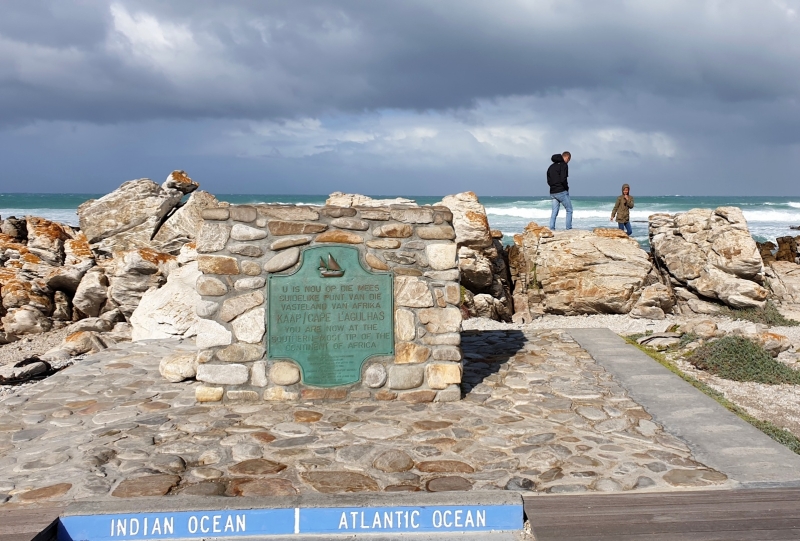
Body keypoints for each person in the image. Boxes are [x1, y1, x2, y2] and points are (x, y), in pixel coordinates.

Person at [547, 151, 572, 230]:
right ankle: (568, 228)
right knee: (569, 210)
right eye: (569, 160)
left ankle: (552, 228)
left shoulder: (551, 167)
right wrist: (566, 188)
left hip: (553, 192)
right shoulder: (564, 165)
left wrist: (553, 186)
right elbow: (563, 179)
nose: (568, 162)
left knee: (554, 212)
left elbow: (548, 180)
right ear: (567, 157)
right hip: (561, 191)